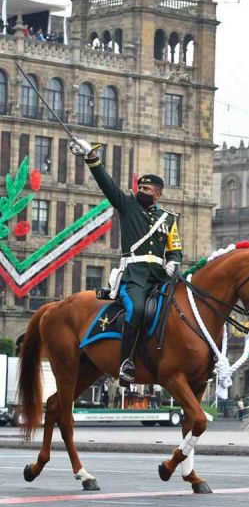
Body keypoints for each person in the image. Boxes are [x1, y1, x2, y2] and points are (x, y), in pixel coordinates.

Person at [69, 138, 182, 388]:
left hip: (161, 276)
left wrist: (174, 262)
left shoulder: (169, 218)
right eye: (140, 187)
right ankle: (126, 362)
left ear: (158, 193)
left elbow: (175, 249)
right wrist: (91, 159)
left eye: (147, 189)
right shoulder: (127, 205)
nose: (141, 191)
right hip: (135, 276)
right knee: (137, 309)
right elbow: (107, 186)